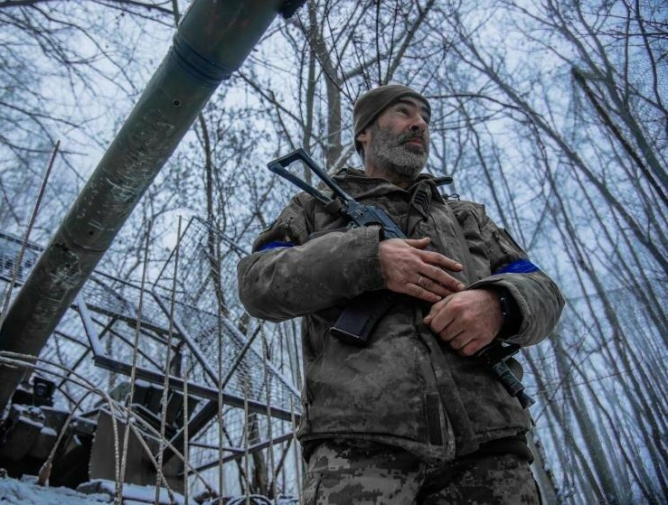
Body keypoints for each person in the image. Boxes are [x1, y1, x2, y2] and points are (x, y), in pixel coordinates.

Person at [237, 84, 564, 504]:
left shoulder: (466, 216)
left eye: (425, 117)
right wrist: (367, 258)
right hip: (357, 452)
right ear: (364, 133)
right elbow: (257, 281)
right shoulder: (314, 208)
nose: (419, 124)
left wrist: (499, 304)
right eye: (404, 112)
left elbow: (543, 290)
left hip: (491, 450)